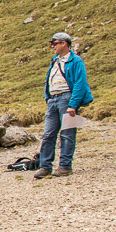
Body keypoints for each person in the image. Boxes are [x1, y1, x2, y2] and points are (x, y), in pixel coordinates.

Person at [35, 32, 94, 179]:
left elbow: (80, 83)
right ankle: (45, 166)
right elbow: (49, 79)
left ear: (64, 43)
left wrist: (73, 104)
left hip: (66, 98)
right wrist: (48, 98)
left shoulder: (76, 61)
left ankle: (65, 166)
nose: (52, 46)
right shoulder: (55, 61)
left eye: (54, 43)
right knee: (48, 134)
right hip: (53, 100)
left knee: (67, 133)